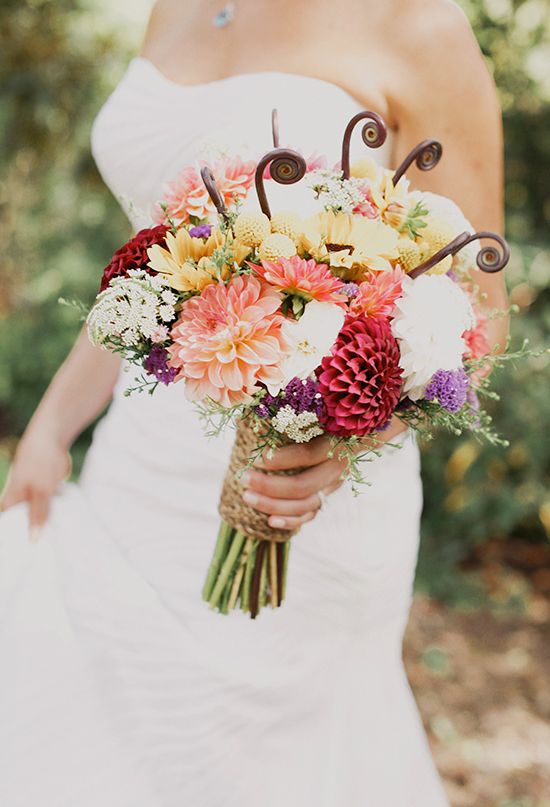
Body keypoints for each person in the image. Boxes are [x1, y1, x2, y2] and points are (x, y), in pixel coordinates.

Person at [0, 1, 507, 805]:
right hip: (136, 472)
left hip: (306, 490)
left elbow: (480, 308)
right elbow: (162, 263)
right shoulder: (178, 7)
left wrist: (342, 449)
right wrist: (55, 424)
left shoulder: (420, 26)